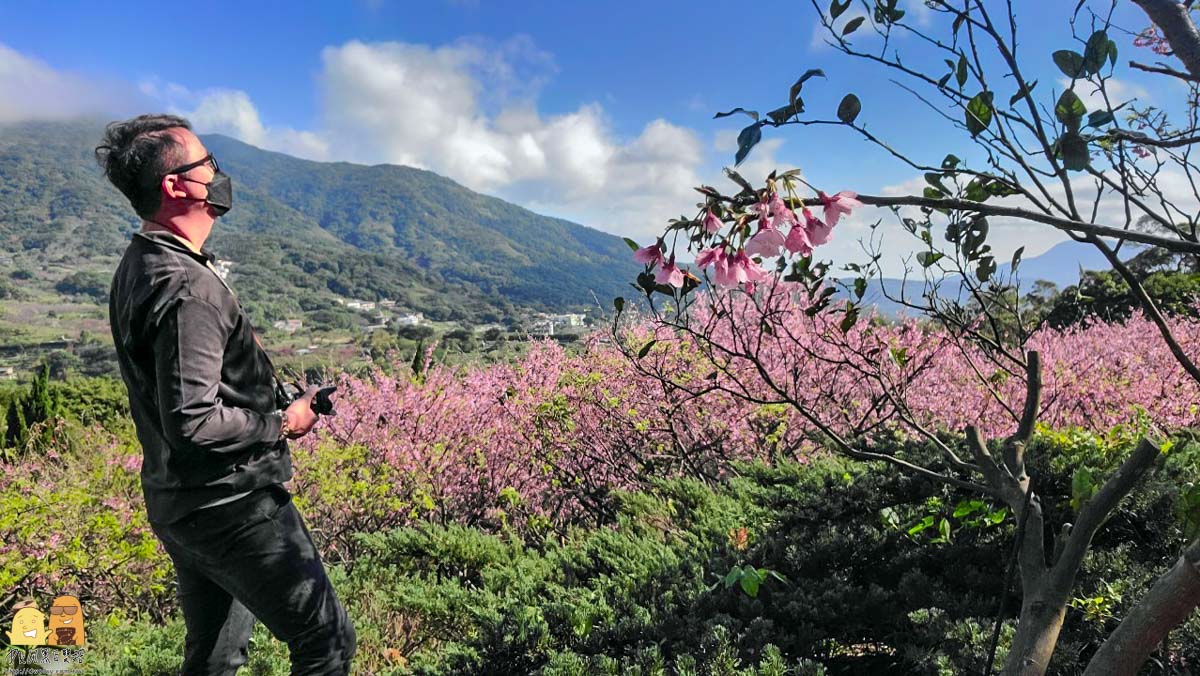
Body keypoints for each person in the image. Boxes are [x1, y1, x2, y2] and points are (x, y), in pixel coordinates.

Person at [98, 114, 356, 675]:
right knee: (326, 643)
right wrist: (282, 424)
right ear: (175, 185)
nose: (218, 173)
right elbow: (193, 420)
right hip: (233, 506)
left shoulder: (140, 264)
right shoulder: (187, 286)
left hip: (180, 504)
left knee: (215, 655)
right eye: (207, 164)